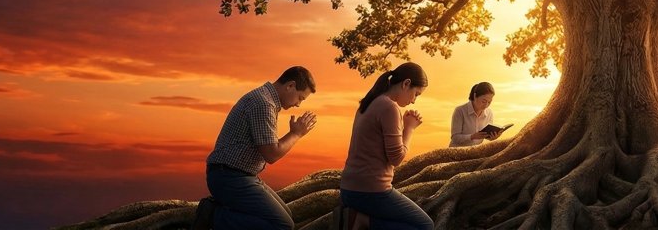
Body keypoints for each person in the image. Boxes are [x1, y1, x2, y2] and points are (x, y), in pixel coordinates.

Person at [193, 66, 319, 230]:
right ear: (290, 86)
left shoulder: (267, 100)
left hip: (242, 175)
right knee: (282, 224)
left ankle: (226, 213)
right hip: (228, 177)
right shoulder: (263, 104)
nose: (298, 104)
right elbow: (271, 154)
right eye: (300, 98)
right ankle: (214, 216)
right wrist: (296, 134)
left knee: (287, 215)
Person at [338, 62, 435, 230]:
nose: (413, 101)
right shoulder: (389, 107)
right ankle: (363, 222)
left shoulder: (368, 102)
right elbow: (396, 158)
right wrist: (410, 128)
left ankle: (363, 220)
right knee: (424, 225)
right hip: (370, 191)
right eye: (416, 94)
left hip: (349, 188)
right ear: (406, 84)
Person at [449, 81, 501, 147]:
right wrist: (472, 137)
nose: (486, 105)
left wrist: (493, 137)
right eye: (484, 101)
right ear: (475, 96)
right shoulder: (460, 111)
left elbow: (486, 136)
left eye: (489, 102)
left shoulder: (489, 113)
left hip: (475, 152)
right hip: (456, 152)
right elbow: (455, 138)